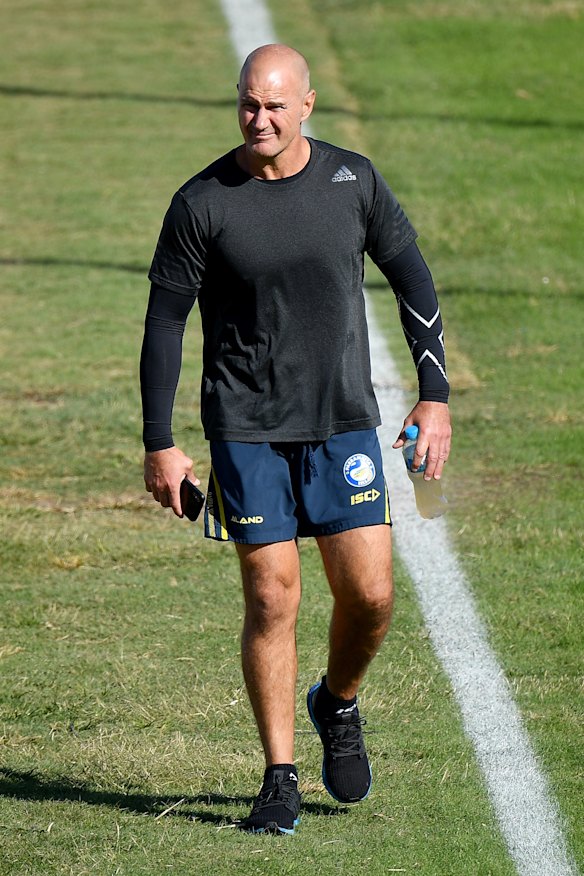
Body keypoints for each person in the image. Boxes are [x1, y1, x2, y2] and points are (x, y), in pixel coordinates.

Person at [140, 44, 451, 835]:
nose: (260, 118)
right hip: (245, 428)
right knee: (273, 597)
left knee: (372, 597)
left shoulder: (354, 181)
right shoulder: (202, 201)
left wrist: (435, 396)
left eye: (276, 105)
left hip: (341, 420)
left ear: (307, 104)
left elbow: (412, 277)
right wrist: (160, 442)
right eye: (249, 103)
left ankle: (336, 703)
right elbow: (165, 323)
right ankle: (278, 776)